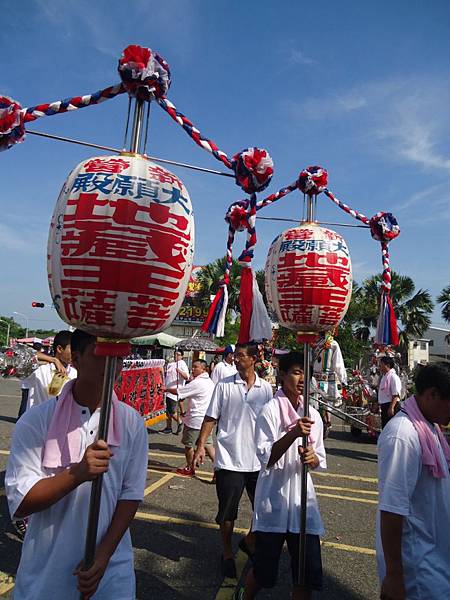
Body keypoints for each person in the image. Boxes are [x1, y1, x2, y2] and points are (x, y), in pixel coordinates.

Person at [5, 329, 148, 599]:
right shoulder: (36, 421)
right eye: (101, 354)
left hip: (110, 574)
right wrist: (77, 474)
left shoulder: (131, 422)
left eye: (118, 356)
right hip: (46, 573)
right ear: (77, 358)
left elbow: (130, 495)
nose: (111, 364)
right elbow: (21, 501)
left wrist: (103, 557)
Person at [242, 351, 326, 599]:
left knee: (305, 573)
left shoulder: (313, 415)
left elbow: (319, 455)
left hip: (303, 504)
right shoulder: (269, 410)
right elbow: (266, 457)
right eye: (297, 372)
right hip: (273, 503)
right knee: (263, 571)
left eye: (306, 373)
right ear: (282, 375)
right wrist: (292, 434)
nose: (302, 379)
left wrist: (313, 458)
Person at [193, 343, 273, 578]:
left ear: (253, 360)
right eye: (234, 356)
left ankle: (250, 541)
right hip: (229, 460)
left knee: (263, 510)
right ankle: (227, 553)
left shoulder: (266, 389)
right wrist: (200, 446)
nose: (235, 359)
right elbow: (211, 417)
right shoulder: (224, 386)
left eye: (240, 356)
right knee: (227, 513)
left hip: (258, 461)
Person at [376, 362, 450, 600]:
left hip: (434, 554)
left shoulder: (429, 427)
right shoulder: (403, 434)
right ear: (432, 395)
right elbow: (391, 510)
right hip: (416, 566)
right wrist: (395, 575)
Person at [165, 359, 215, 477]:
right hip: (206, 419)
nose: (193, 369)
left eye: (196, 367)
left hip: (195, 419)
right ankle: (218, 470)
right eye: (192, 367)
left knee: (189, 445)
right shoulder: (209, 382)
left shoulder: (198, 383)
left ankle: (190, 468)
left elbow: (179, 391)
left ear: (204, 369)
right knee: (208, 445)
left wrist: (165, 389)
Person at [18, 330, 77, 418]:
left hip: (59, 426)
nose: (75, 353)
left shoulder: (74, 373)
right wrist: (53, 360)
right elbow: (19, 355)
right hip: (36, 424)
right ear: (59, 349)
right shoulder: (40, 369)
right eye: (72, 349)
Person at [160, 349, 190, 435]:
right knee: (167, 411)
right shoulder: (171, 364)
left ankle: (180, 421)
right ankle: (168, 427)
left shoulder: (182, 364)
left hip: (174, 391)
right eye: (175, 354)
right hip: (167, 389)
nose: (176, 356)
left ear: (182, 356)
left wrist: (179, 371)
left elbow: (186, 377)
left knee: (171, 411)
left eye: (179, 354)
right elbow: (166, 374)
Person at [378, 356, 402, 429]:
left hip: (391, 405)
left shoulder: (393, 377)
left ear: (387, 365)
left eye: (381, 364)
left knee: (390, 428)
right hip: (384, 405)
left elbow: (395, 394)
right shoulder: (385, 377)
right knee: (385, 427)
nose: (379, 367)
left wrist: (391, 407)